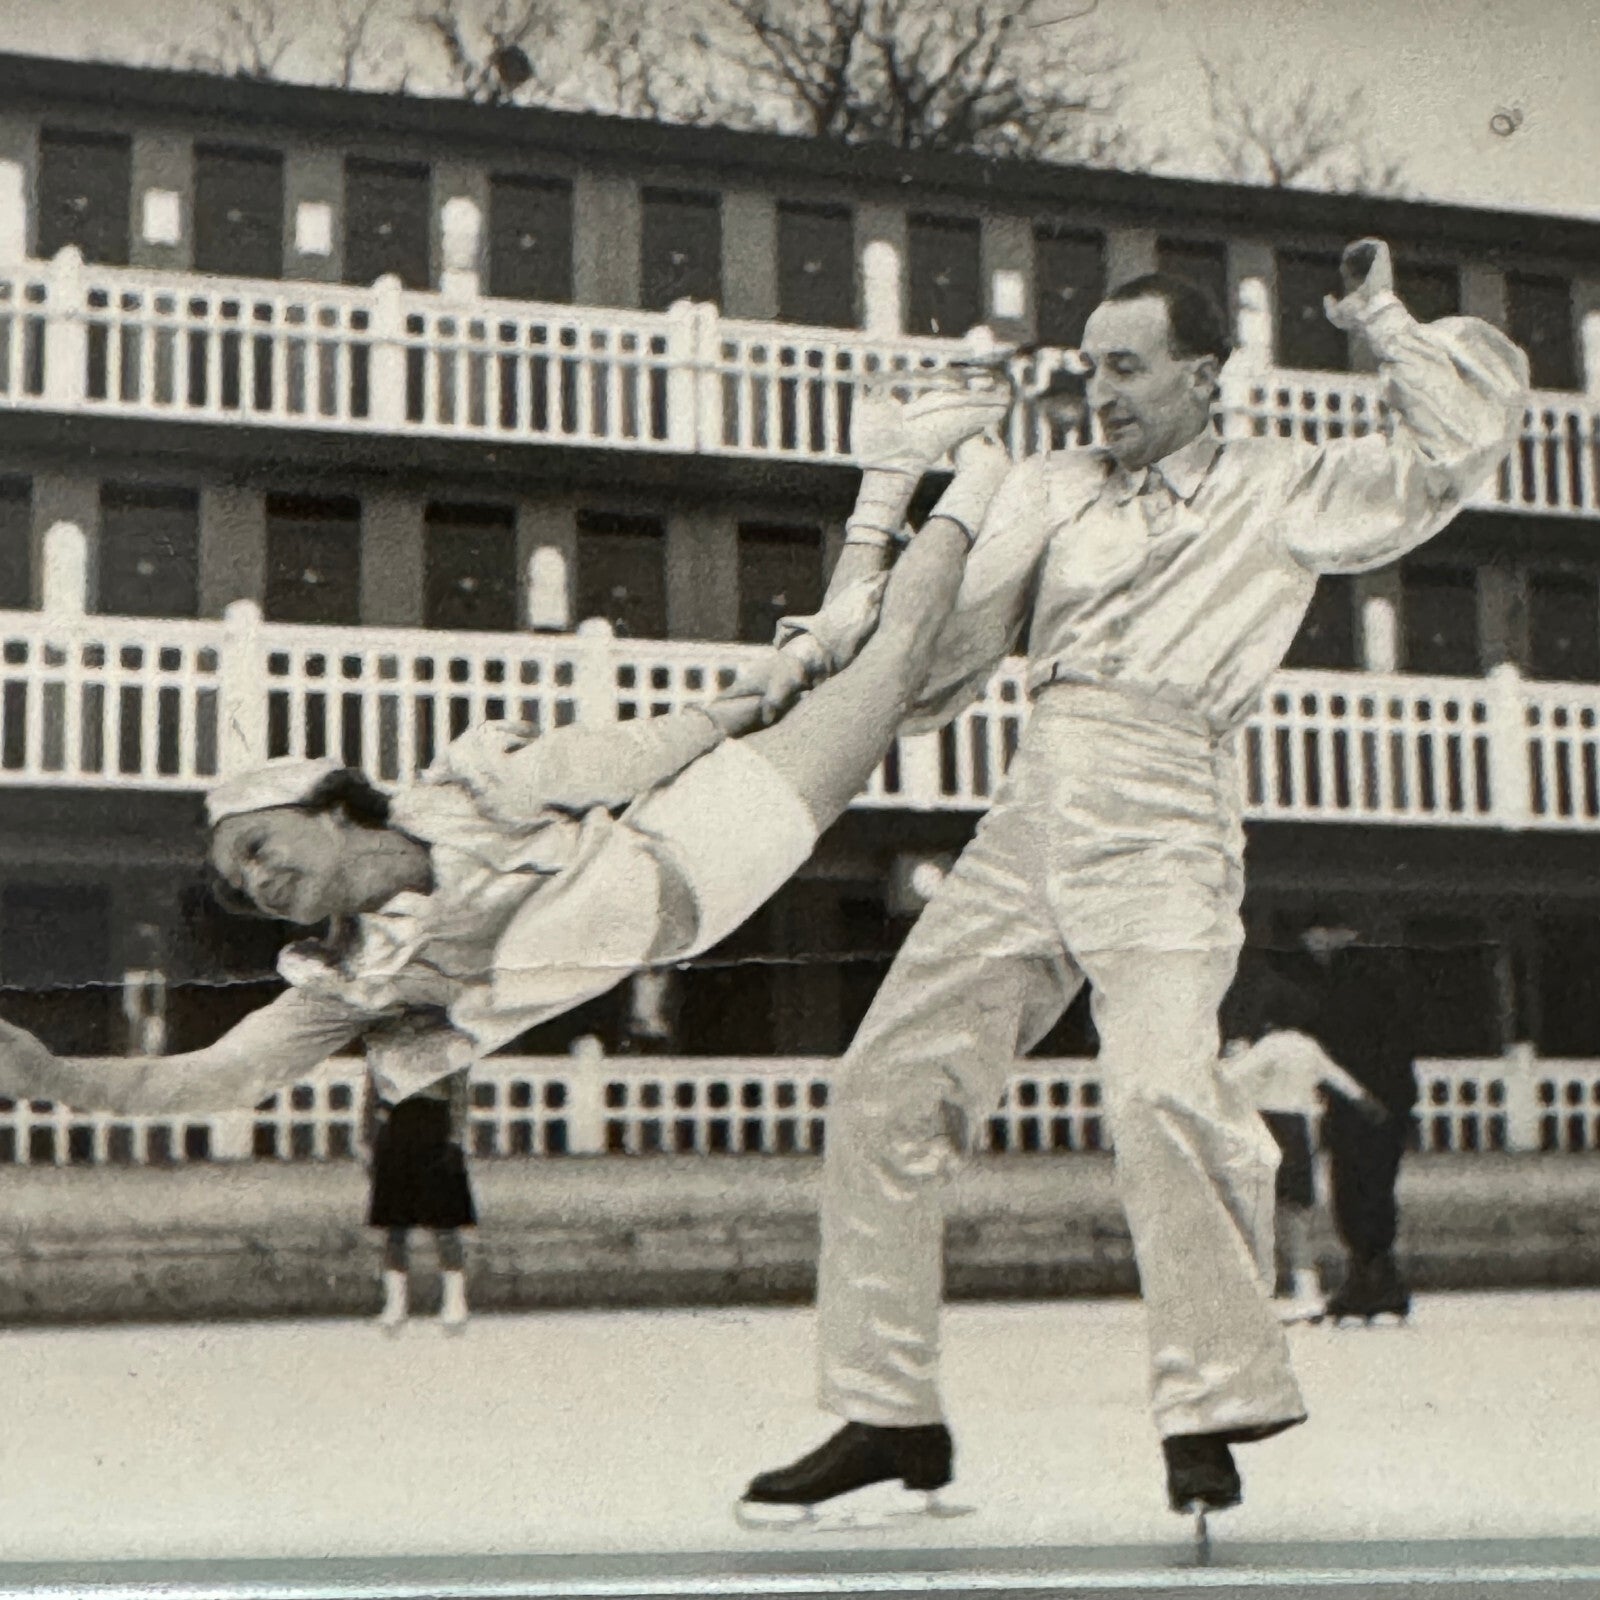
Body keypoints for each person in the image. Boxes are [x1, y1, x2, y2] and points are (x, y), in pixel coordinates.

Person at [740, 240, 1528, 1527]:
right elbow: (939, 645)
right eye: (1087, 367)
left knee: (1162, 1088)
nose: (1099, 390)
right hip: (1037, 794)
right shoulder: (1051, 488)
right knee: (887, 1083)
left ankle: (1213, 1401)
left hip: (1168, 804)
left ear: (1203, 374)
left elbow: (1454, 455)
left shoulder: (1283, 483)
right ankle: (887, 1413)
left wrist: (1378, 320)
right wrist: (829, 646)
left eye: (1127, 365)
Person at [0, 380, 1013, 1146]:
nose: (257, 881)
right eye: (241, 885)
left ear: (330, 807)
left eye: (258, 846)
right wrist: (58, 1078)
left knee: (881, 680)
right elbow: (221, 1075)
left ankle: (983, 472)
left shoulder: (473, 789)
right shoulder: (345, 979)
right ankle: (892, 476)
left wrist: (772, 682)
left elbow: (637, 751)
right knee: (874, 670)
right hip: (699, 892)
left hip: (696, 835)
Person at [1287, 922, 1419, 1323]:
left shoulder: (1349, 987)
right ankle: (1378, 1279)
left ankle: (1371, 1279)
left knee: (1355, 1189)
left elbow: (1346, 1045)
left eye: (1315, 936)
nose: (1311, 947)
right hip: (1382, 1103)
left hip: (1363, 1105)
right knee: (1373, 1189)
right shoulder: (1370, 981)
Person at [1218, 1028, 1385, 1324]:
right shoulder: (1308, 1045)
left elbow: (1232, 1080)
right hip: (1301, 1128)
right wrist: (1364, 1099)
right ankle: (1307, 1290)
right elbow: (1338, 1079)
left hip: (1267, 1124)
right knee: (1296, 1210)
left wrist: (1228, 1061)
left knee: (1255, 1210)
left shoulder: (1269, 1046)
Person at [364, 1063, 476, 1332]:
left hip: (436, 1127)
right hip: (394, 1128)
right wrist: (368, 1141)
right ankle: (395, 1305)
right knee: (395, 1225)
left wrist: (457, 1138)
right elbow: (371, 1095)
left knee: (446, 1223)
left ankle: (455, 1303)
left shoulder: (447, 1042)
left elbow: (460, 1092)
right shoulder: (384, 1044)